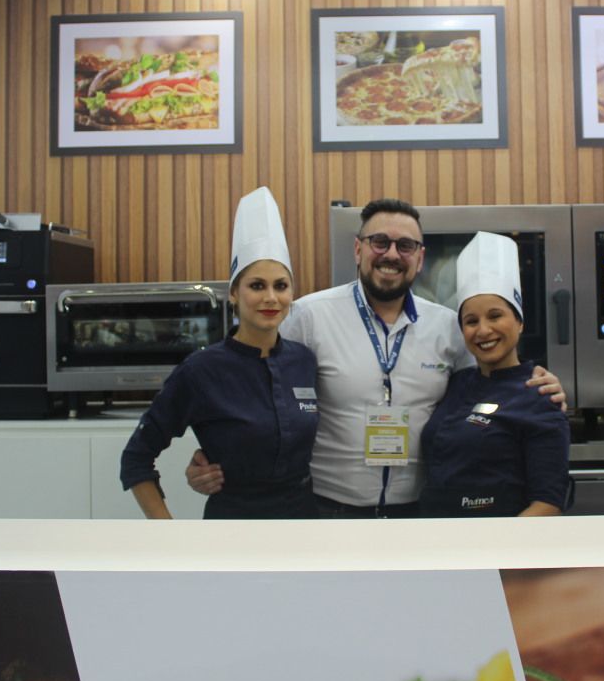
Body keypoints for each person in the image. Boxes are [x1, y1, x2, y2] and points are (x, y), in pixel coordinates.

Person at [188, 197, 566, 517]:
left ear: (420, 258)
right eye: (379, 241)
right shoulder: (308, 317)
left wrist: (538, 384)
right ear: (358, 249)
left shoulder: (449, 327)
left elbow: (492, 385)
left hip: (420, 513)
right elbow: (250, 385)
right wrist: (215, 451)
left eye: (405, 246)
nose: (391, 254)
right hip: (327, 511)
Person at [119, 187, 319, 519]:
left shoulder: (304, 360)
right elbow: (135, 459)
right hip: (232, 527)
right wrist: (168, 535)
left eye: (281, 286)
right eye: (257, 285)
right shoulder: (202, 370)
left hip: (303, 524)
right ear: (233, 294)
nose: (271, 297)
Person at [419, 231, 570, 517]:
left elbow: (548, 504)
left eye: (495, 315)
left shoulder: (540, 395)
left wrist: (496, 551)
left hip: (497, 550)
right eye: (471, 321)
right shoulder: (456, 383)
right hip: (437, 543)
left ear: (519, 321)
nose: (484, 330)